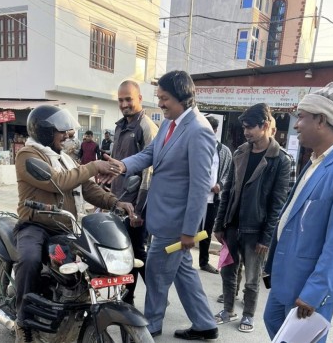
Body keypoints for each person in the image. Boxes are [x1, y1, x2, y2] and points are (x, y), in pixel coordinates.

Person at [105, 70, 218, 340]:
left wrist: (190, 231)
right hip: (163, 217)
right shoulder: (170, 123)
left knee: (155, 273)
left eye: (165, 98)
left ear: (182, 97)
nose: (161, 104)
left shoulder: (199, 131)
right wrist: (123, 166)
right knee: (183, 273)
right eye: (159, 98)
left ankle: (150, 328)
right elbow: (149, 154)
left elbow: (200, 187)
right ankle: (205, 324)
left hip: (176, 224)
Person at [14, 105, 133, 343]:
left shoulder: (66, 158)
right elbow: (57, 182)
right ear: (46, 131)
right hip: (35, 225)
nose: (67, 135)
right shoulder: (28, 155)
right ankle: (22, 321)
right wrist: (92, 166)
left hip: (67, 227)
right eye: (62, 131)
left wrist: (115, 203)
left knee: (88, 266)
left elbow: (87, 187)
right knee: (30, 260)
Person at [264, 81, 333, 343]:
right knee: (274, 325)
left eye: (301, 117)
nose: (297, 125)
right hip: (287, 277)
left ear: (321, 120)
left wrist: (315, 291)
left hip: (310, 286)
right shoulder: (317, 160)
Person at [213, 103, 291, 333]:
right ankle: (228, 309)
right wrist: (219, 224)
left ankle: (248, 314)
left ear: (265, 125)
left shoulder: (280, 161)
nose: (246, 131)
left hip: (256, 231)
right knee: (228, 271)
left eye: (250, 127)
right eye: (244, 127)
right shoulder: (240, 152)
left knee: (252, 279)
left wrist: (266, 239)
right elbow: (227, 191)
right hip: (231, 226)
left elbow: (277, 205)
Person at [110, 80, 158, 305]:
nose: (124, 104)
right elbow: (117, 166)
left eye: (129, 99)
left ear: (140, 98)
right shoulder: (120, 126)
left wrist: (138, 210)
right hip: (119, 203)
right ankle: (135, 297)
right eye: (121, 100)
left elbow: (149, 172)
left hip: (136, 206)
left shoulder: (146, 127)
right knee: (124, 253)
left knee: (136, 253)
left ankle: (133, 300)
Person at [199, 116, 232, 274]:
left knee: (206, 231)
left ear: (215, 131)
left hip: (213, 199)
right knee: (189, 230)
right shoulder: (196, 147)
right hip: (195, 198)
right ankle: (182, 260)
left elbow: (228, 173)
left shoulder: (224, 151)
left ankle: (204, 261)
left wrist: (220, 185)